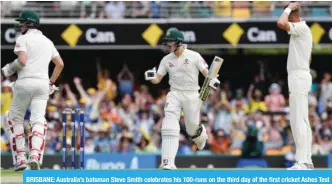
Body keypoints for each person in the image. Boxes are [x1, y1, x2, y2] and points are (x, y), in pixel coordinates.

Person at [144, 28, 220, 169]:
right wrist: (151, 77)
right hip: (175, 93)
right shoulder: (166, 59)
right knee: (169, 123)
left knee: (191, 129)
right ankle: (167, 162)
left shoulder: (194, 56)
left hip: (192, 94)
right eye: (166, 42)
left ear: (179, 42)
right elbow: (158, 79)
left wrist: (213, 80)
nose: (167, 45)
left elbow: (207, 72)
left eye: (170, 42)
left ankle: (199, 133)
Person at [1, 10, 64, 171]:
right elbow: (60, 64)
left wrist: (6, 70)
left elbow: (22, 61)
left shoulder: (23, 38)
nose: (19, 25)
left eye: (22, 22)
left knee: (14, 119)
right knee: (38, 120)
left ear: (29, 23)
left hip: (25, 83)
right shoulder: (48, 42)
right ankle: (35, 156)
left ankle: (21, 159)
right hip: (43, 85)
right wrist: (51, 82)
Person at [277, 2, 314, 169]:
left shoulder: (301, 28)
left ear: (292, 13)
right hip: (298, 75)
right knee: (298, 119)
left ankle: (303, 162)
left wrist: (288, 8)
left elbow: (280, 23)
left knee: (299, 119)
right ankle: (306, 160)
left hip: (299, 76)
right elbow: (309, 58)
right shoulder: (301, 32)